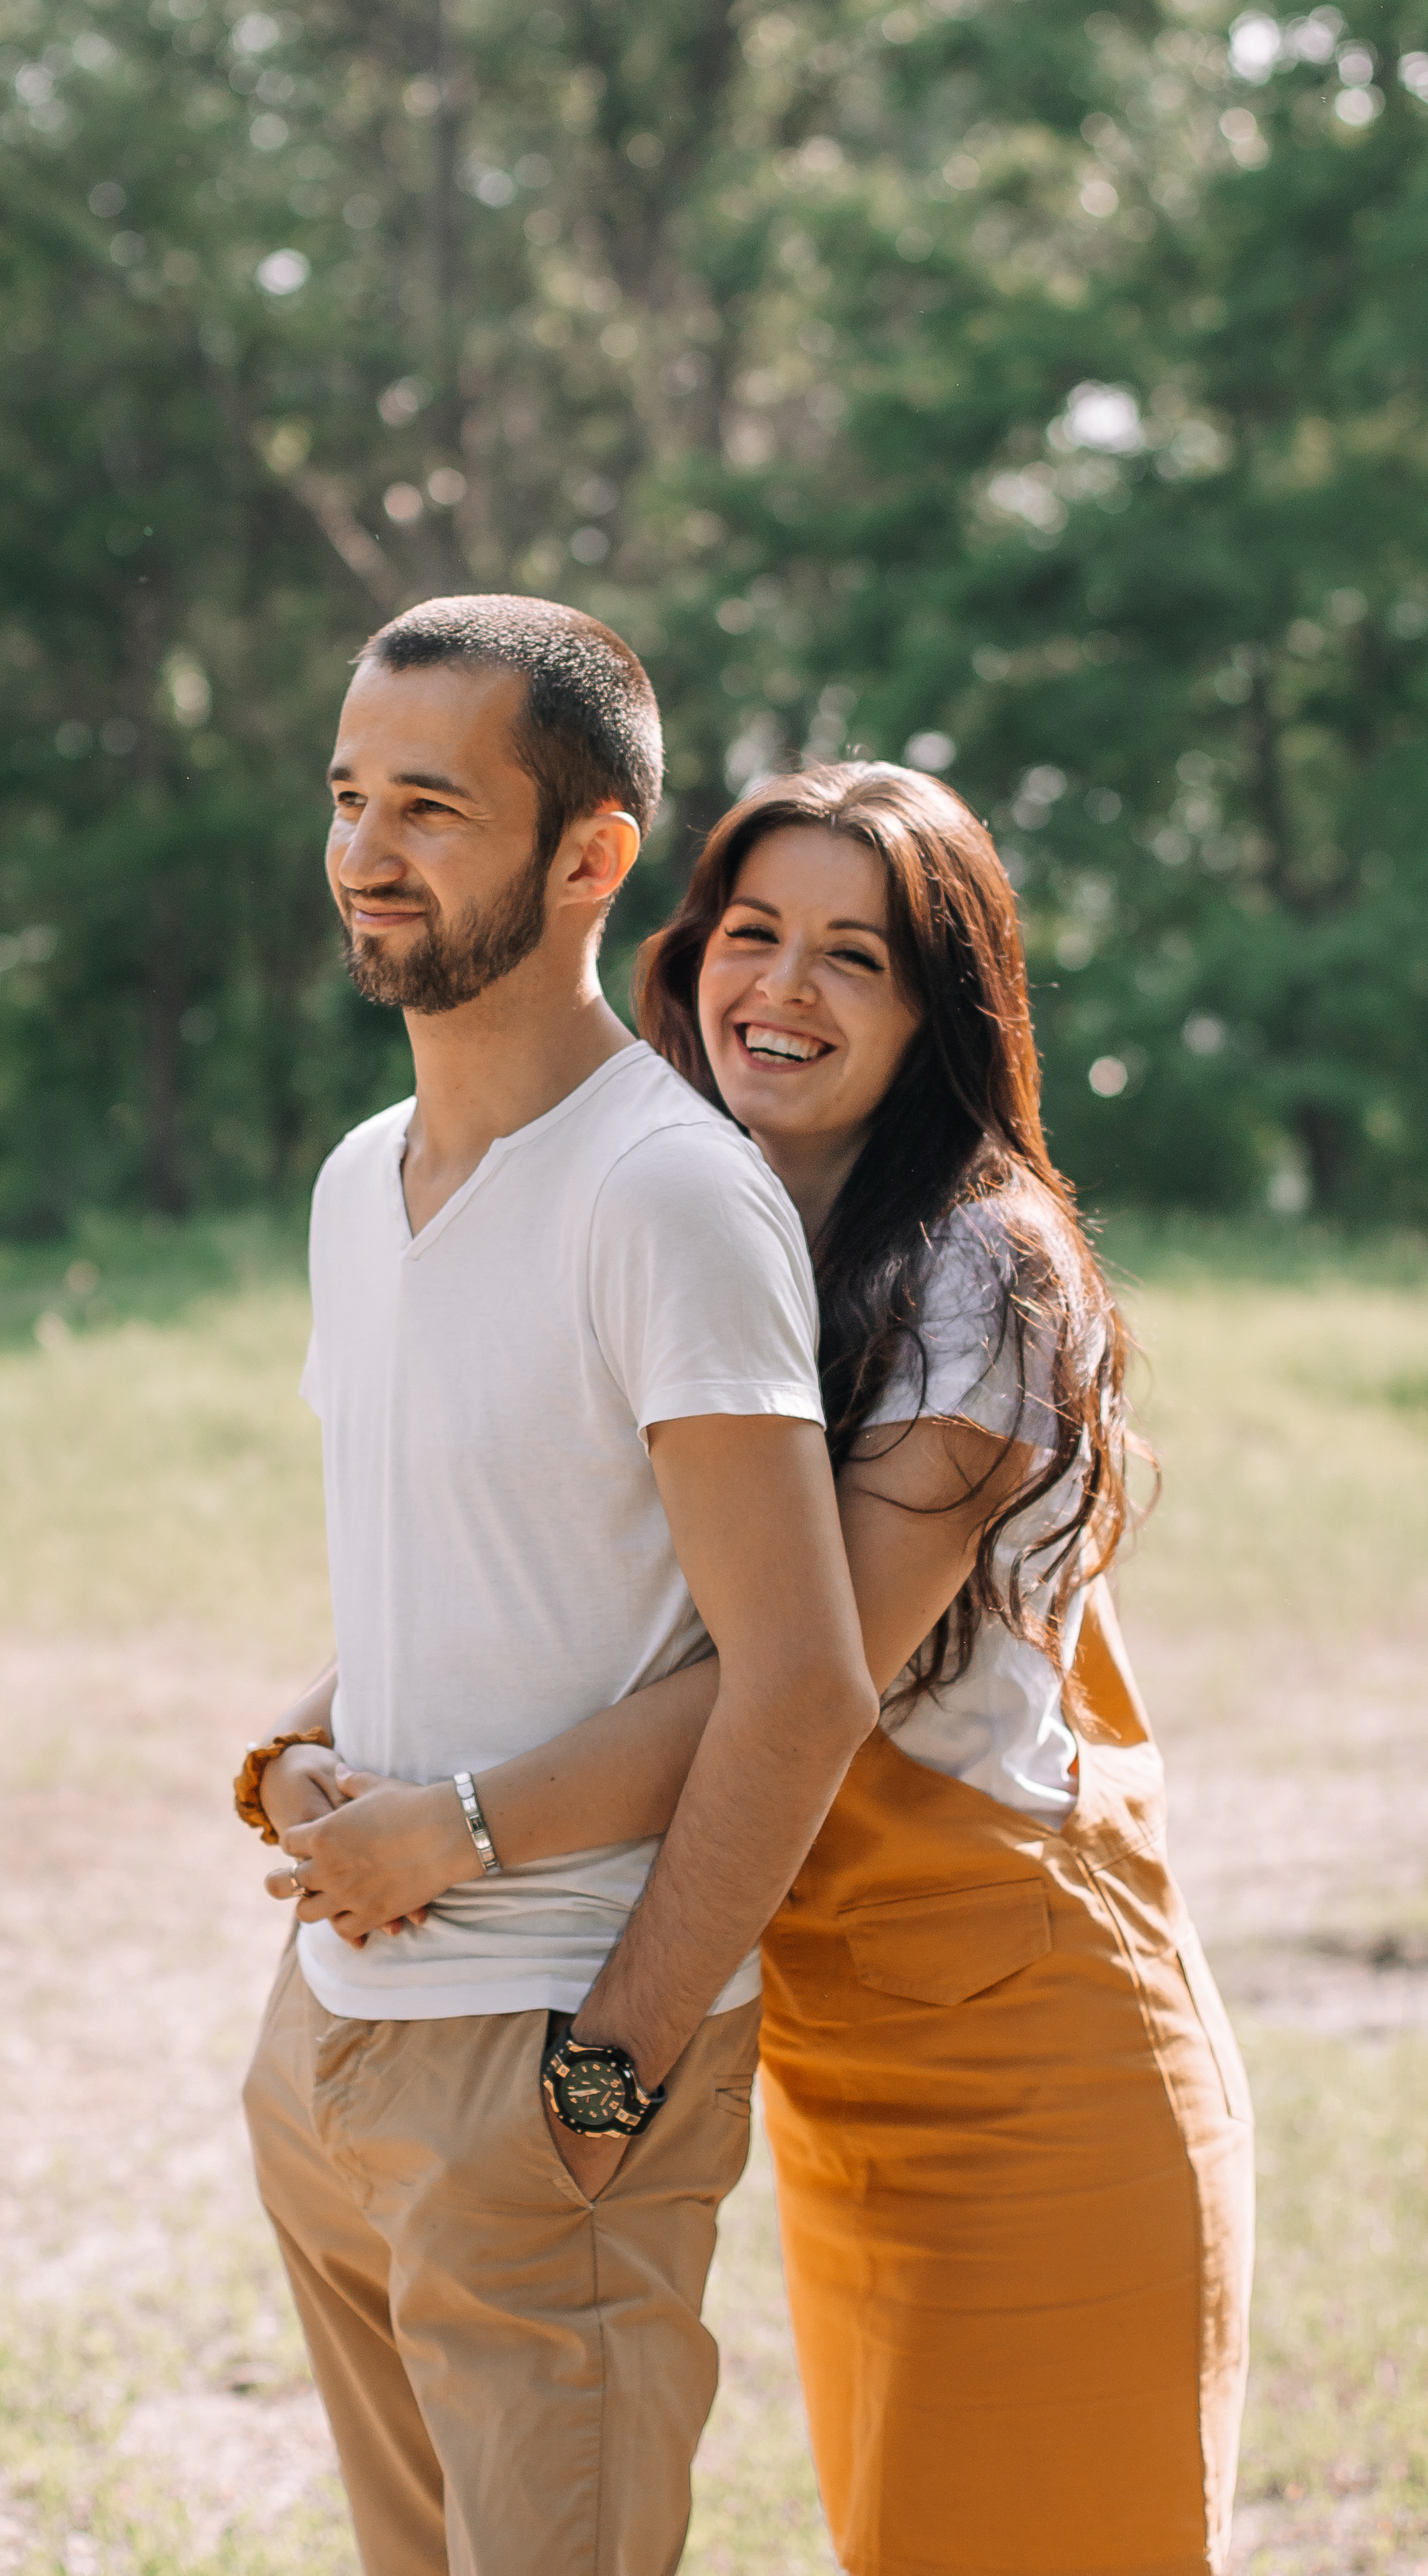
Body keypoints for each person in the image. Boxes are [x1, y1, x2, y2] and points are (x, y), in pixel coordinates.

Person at [287, 759, 1255, 2576]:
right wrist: (317, 1726)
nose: (782, 992)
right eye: (754, 937)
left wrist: (499, 1895)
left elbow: (793, 1678)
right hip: (814, 2023)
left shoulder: (984, 1272)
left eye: (855, 958)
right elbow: (561, 1562)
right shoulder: (676, 1205)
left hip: (1018, 2039)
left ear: (939, 1012)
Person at [235, 598, 876, 2576]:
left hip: (549, 2045)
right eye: (350, 798)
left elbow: (800, 1682)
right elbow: (499, 1565)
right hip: (333, 2042)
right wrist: (306, 1740)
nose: (367, 850)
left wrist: (609, 2070)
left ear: (589, 856)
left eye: (432, 805)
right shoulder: (362, 1177)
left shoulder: (668, 1194)